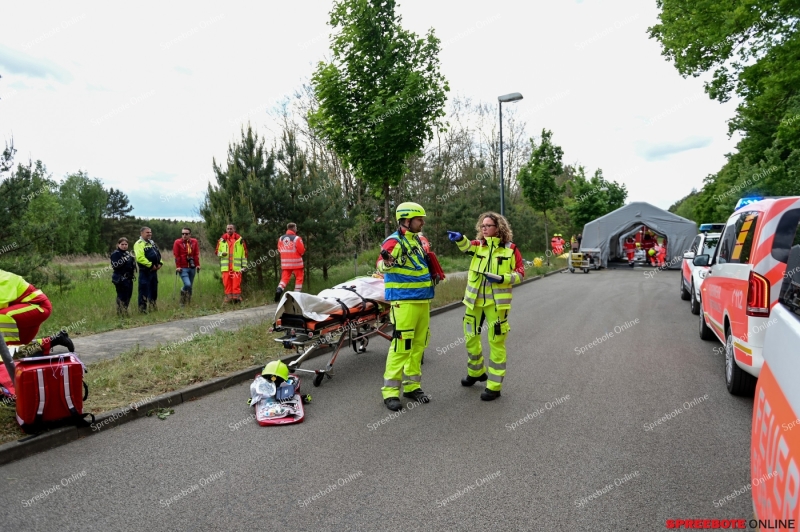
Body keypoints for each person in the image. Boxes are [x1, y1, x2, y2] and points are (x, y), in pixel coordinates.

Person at [447, 212, 524, 401]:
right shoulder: (478, 245)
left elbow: (521, 274)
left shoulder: (511, 249)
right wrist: (460, 238)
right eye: (482, 226)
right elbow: (466, 246)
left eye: (488, 225)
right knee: (470, 338)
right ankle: (476, 372)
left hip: (496, 304)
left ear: (498, 227)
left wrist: (502, 278)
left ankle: (494, 386)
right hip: (473, 302)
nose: (484, 228)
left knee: (496, 342)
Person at [377, 202, 434, 411]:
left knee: (419, 345)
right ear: (407, 220)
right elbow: (380, 264)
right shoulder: (394, 241)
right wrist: (388, 262)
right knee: (401, 347)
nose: (423, 222)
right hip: (404, 301)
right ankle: (390, 392)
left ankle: (412, 387)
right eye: (419, 219)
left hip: (423, 300)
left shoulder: (417, 240)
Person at [0, 269, 74, 382]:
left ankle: (9, 369)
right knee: (21, 349)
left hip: (37, 307)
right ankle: (53, 340)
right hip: (22, 310)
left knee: (2, 318)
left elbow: (2, 304)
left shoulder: (3, 279)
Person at [134, 227, 163, 313]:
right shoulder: (139, 243)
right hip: (145, 271)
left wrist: (160, 263)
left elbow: (158, 254)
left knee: (153, 290)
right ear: (141, 233)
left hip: (154, 271)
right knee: (144, 290)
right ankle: (142, 310)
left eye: (150, 232)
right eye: (147, 232)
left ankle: (153, 307)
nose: (149, 234)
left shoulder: (152, 243)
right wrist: (150, 265)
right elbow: (140, 258)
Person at [216, 224, 248, 304]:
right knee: (227, 284)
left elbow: (244, 254)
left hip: (236, 267)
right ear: (226, 229)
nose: (229, 230)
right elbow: (217, 252)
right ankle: (228, 300)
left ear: (234, 230)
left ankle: (237, 300)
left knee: (236, 284)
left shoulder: (240, 241)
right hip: (225, 267)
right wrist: (221, 254)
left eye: (231, 229)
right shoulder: (221, 240)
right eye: (228, 229)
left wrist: (244, 266)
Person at [275, 223, 305, 303]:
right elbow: (301, 250)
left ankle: (279, 289)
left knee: (284, 278)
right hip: (296, 263)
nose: (296, 229)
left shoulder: (281, 238)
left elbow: (279, 249)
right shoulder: (297, 238)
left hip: (285, 263)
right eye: (296, 227)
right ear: (294, 228)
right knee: (299, 278)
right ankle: (296, 296)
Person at [172, 227, 201, 307]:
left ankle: (187, 303)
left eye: (186, 234)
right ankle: (182, 301)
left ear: (190, 235)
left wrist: (197, 265)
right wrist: (178, 266)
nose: (184, 235)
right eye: (183, 234)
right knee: (187, 284)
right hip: (183, 268)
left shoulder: (194, 241)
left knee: (190, 286)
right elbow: (176, 255)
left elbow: (196, 254)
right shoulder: (177, 242)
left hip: (192, 266)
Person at [110, 237, 136, 316]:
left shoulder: (128, 253)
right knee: (122, 296)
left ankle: (125, 311)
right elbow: (115, 265)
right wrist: (124, 259)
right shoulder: (116, 254)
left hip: (129, 278)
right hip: (120, 278)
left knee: (128, 296)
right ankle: (120, 313)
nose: (124, 246)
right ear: (118, 245)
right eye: (122, 244)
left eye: (126, 244)